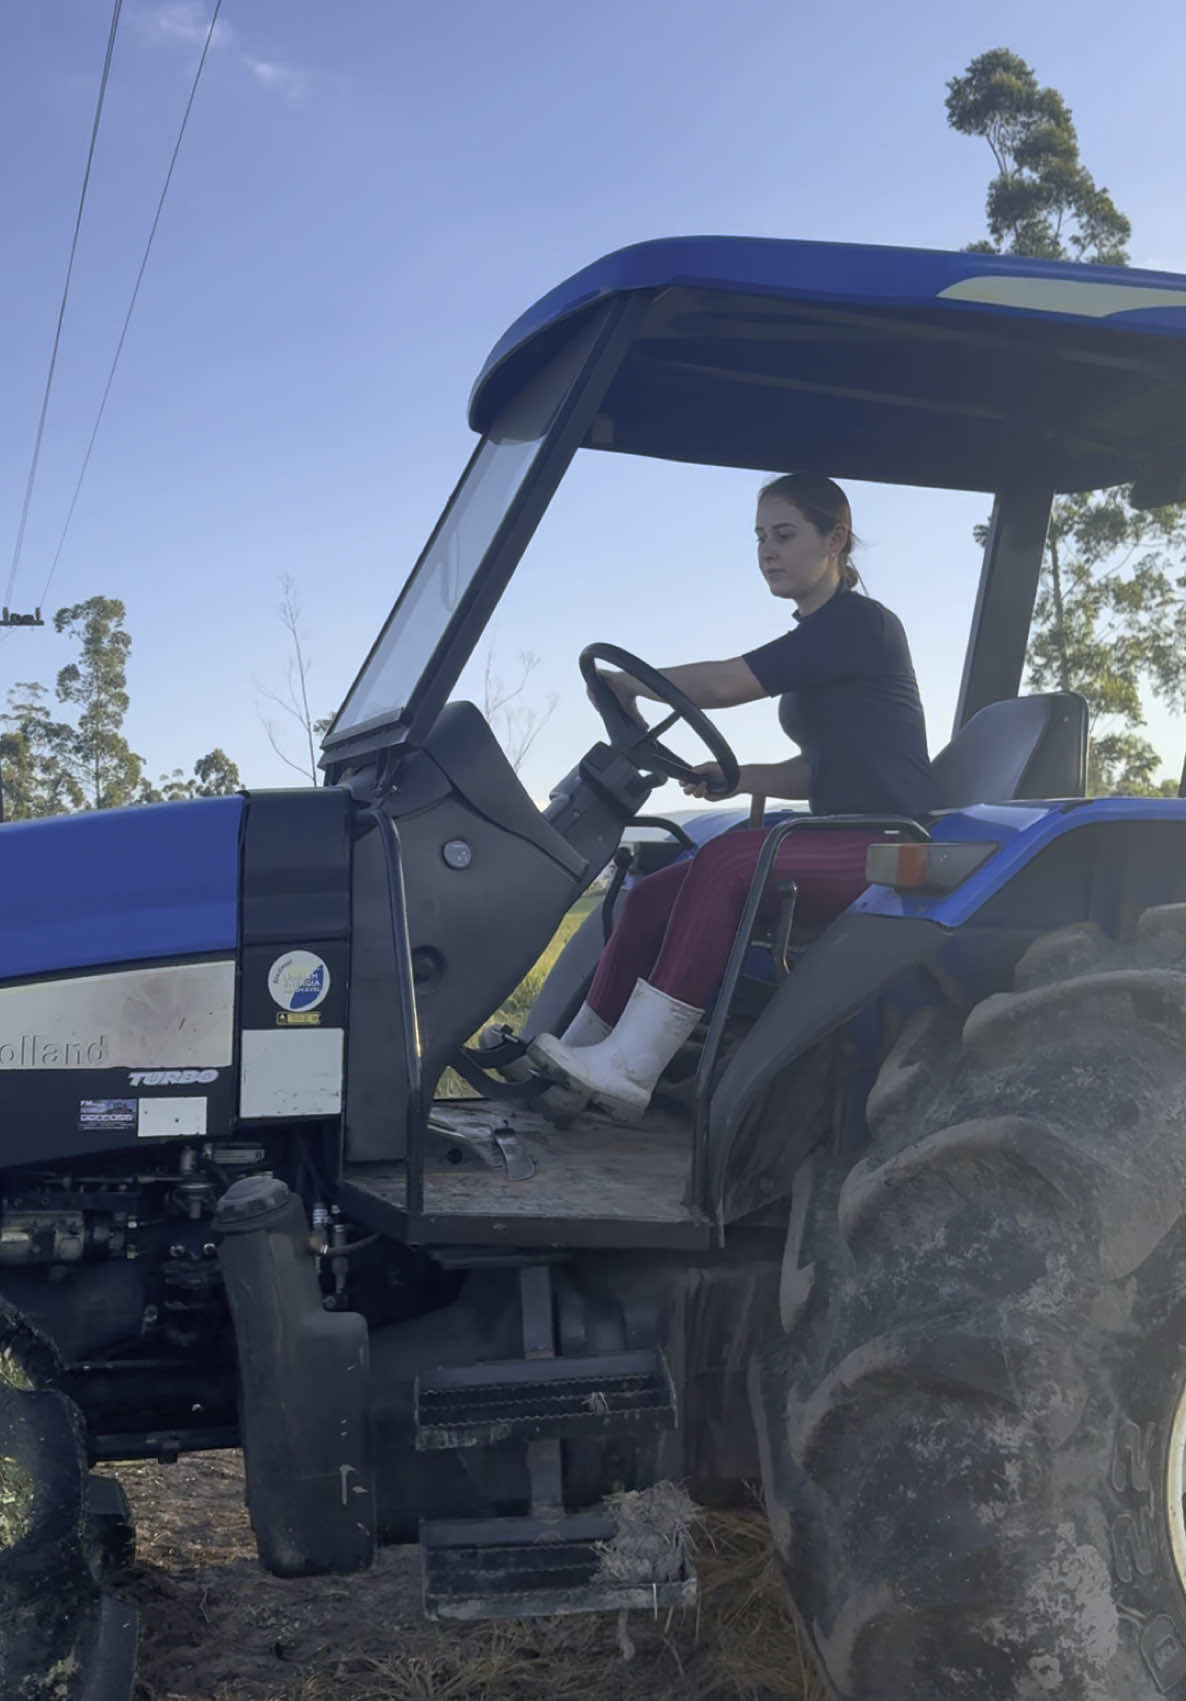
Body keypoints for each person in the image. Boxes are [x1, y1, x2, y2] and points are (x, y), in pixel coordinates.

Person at [528, 471, 932, 1122]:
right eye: (759, 538)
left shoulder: (858, 626)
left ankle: (632, 1067)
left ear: (836, 539)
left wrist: (631, 684)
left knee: (731, 860)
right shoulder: (821, 641)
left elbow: (724, 681)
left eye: (785, 534)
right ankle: (573, 1064)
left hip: (883, 841)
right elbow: (820, 769)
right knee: (649, 895)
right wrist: (738, 778)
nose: (767, 551)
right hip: (838, 829)